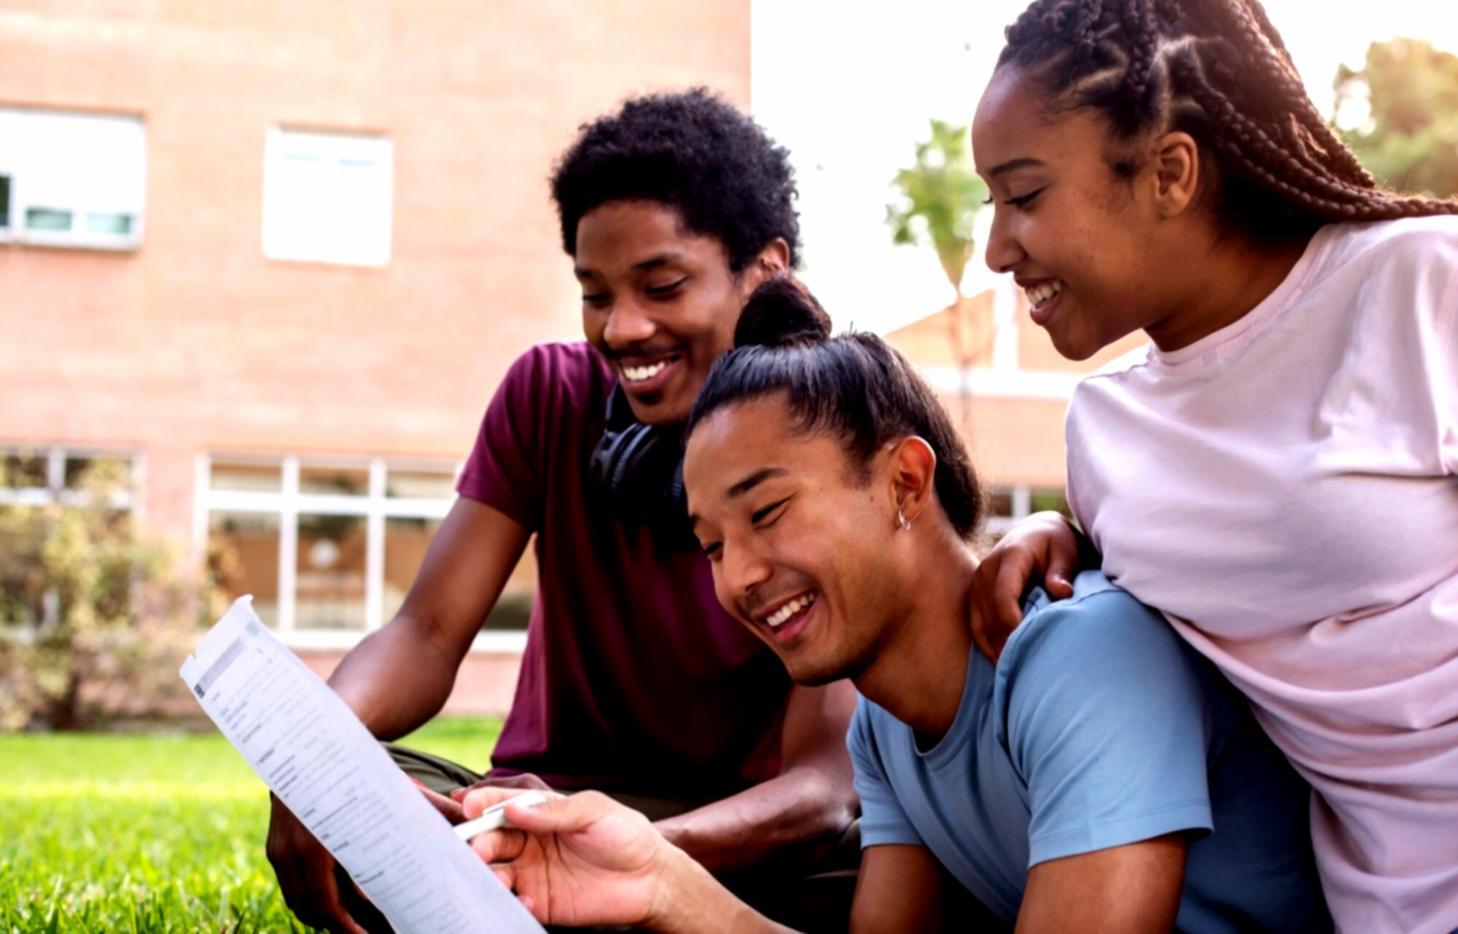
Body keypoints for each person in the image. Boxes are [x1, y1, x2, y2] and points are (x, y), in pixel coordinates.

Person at [463, 278, 1330, 932]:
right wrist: (656, 881)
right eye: (713, 544)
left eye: (766, 514)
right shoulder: (883, 726)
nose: (739, 577)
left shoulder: (1080, 654)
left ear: (904, 481)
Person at [264, 90, 859, 934]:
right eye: (594, 293)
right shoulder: (546, 395)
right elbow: (427, 634)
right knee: (378, 792)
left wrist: (629, 854)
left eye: (662, 285)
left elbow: (822, 789)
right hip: (544, 807)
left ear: (762, 271)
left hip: (738, 838)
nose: (621, 328)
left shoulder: (832, 433)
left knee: (877, 867)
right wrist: (321, 751)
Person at [960, 1, 1458, 931]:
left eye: (1024, 196)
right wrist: (1055, 530)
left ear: (1171, 172)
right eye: (991, 203)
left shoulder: (1422, 285)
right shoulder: (1105, 434)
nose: (996, 250)